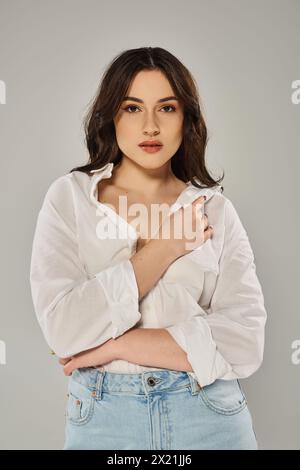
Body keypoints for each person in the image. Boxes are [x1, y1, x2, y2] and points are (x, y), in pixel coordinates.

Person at [29, 46, 267, 450]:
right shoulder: (70, 198)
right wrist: (166, 246)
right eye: (133, 108)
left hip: (210, 415)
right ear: (110, 116)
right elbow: (63, 328)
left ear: (187, 119)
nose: (151, 127)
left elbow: (245, 342)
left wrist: (111, 346)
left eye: (167, 108)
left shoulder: (215, 211)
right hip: (103, 419)